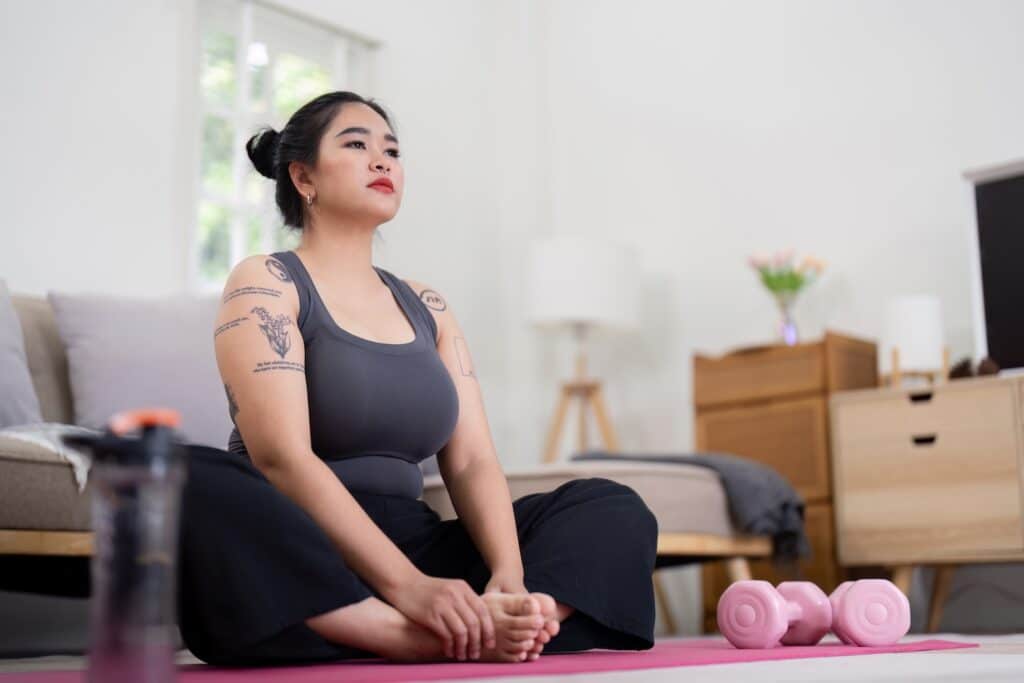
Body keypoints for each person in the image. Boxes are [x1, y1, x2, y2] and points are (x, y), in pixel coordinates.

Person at [176, 91, 658, 667]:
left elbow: (474, 460)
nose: (383, 162)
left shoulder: (427, 305)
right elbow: (281, 457)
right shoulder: (268, 280)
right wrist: (409, 590)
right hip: (301, 540)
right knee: (184, 474)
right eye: (356, 145)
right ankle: (410, 635)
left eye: (392, 151)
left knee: (610, 505)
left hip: (417, 543)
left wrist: (508, 575)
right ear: (303, 176)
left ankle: (518, 618)